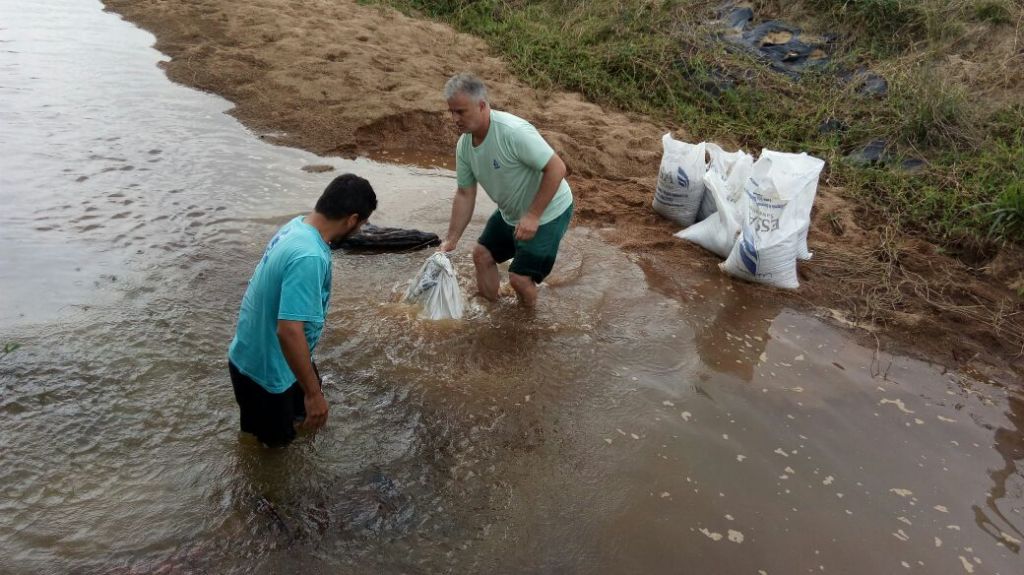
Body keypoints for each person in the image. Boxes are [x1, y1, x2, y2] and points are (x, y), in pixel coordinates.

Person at [227, 174, 377, 447]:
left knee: (304, 424)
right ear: (352, 219)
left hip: (256, 357)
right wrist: (313, 393)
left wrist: (311, 389)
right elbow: (288, 331)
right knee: (272, 458)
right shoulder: (309, 256)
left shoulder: (297, 226)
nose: (358, 231)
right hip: (266, 374)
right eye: (361, 225)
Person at [438, 73, 574, 308]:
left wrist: (532, 216)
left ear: (482, 106)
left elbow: (557, 168)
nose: (454, 118)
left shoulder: (512, 131)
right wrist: (452, 239)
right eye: (451, 112)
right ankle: (493, 310)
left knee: (519, 279)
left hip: (549, 210)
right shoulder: (464, 146)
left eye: (460, 112)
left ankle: (527, 326)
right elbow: (465, 193)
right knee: (481, 255)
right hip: (511, 213)